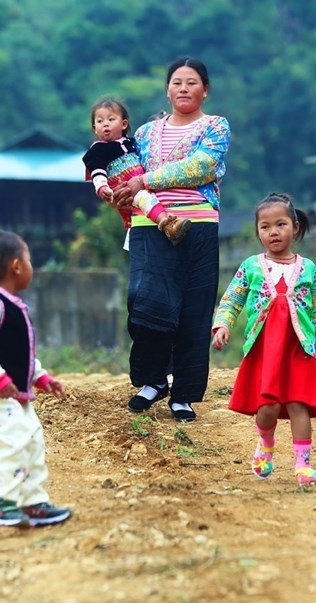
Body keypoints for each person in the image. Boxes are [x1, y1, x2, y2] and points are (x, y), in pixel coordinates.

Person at [112, 57, 230, 423]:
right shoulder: (145, 133)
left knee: (193, 309)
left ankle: (184, 394)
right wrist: (112, 186)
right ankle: (153, 380)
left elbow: (202, 167)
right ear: (167, 88)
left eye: (192, 82)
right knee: (145, 300)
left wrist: (145, 182)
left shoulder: (216, 126)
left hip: (198, 223)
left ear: (205, 90)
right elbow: (127, 169)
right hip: (149, 223)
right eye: (177, 82)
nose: (183, 88)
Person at [212, 194, 316, 486]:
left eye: (281, 224)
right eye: (265, 227)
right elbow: (232, 300)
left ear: (295, 227)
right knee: (269, 407)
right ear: (258, 232)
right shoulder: (251, 265)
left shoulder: (309, 268)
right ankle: (265, 442)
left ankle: (303, 464)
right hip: (265, 347)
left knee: (299, 403)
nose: (273, 232)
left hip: (298, 347)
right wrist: (222, 326)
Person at [0, 230, 72, 528]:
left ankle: (33, 502)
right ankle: (1, 503)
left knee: (33, 439)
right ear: (16, 266)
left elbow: (18, 352)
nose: (31, 266)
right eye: (29, 259)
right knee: (17, 441)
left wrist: (42, 377)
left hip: (13, 394)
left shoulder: (10, 304)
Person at [82, 98, 191, 245]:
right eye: (100, 121)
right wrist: (102, 187)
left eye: (111, 119)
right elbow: (97, 171)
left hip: (141, 184)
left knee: (148, 196)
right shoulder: (98, 149)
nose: (105, 124)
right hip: (125, 189)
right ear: (95, 128)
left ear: (124, 124)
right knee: (144, 197)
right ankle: (167, 223)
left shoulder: (133, 143)